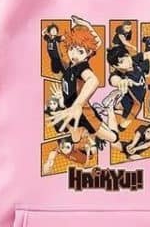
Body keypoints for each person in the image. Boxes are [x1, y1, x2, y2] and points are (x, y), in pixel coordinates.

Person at [46, 16, 119, 146]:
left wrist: (78, 104)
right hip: (71, 108)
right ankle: (84, 131)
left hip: (84, 112)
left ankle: (109, 110)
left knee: (113, 138)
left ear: (88, 53)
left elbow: (92, 80)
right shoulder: (71, 64)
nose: (74, 55)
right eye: (71, 49)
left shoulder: (82, 66)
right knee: (75, 138)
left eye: (80, 51)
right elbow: (96, 43)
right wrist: (88, 26)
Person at [105, 45, 150, 130]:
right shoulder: (119, 74)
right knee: (125, 123)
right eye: (122, 61)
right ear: (115, 66)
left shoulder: (134, 61)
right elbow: (113, 79)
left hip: (139, 96)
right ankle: (113, 112)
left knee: (122, 108)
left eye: (127, 56)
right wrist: (121, 82)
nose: (128, 62)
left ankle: (115, 106)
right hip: (132, 102)